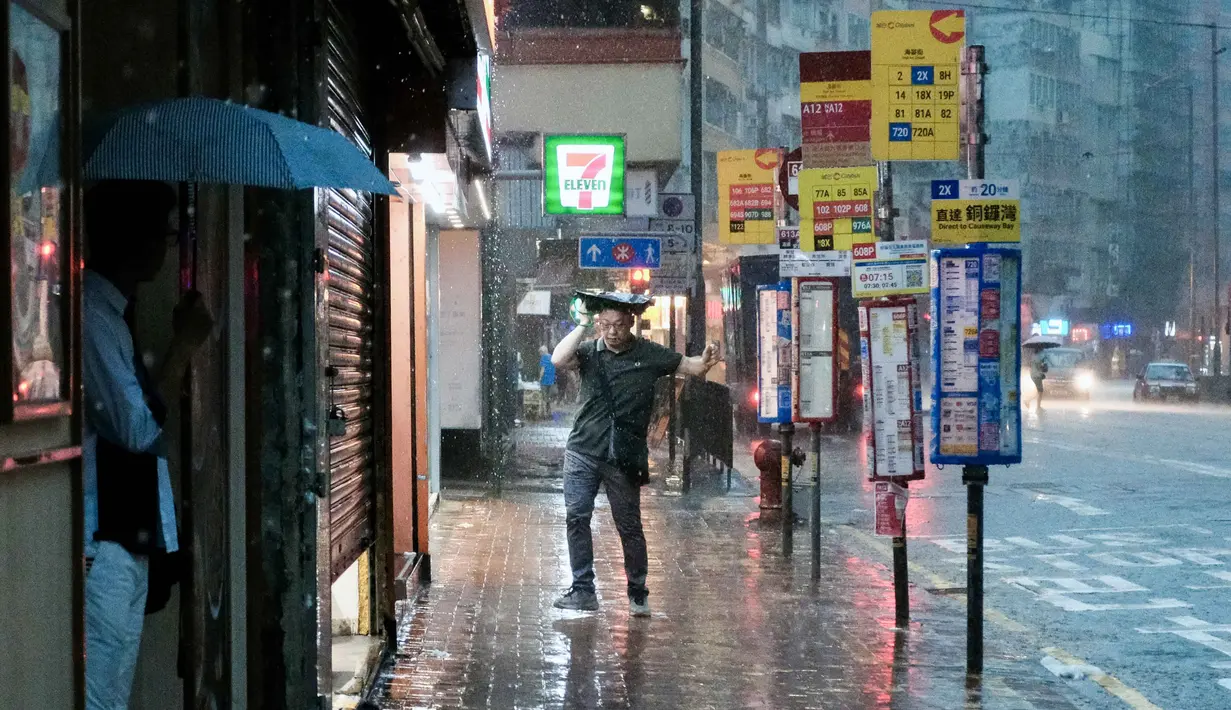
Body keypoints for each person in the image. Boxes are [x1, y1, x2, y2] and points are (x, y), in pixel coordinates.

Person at [82, 180, 214, 710]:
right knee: (102, 698)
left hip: (125, 545)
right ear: (129, 238)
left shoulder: (113, 316)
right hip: (106, 547)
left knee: (114, 690)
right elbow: (137, 430)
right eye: (161, 234)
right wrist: (182, 345)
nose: (165, 246)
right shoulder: (93, 318)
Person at [549, 292, 720, 617]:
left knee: (629, 525)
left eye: (618, 325)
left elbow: (692, 367)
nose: (611, 331)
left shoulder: (650, 354)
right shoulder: (587, 352)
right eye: (605, 325)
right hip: (583, 449)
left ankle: (638, 592)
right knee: (577, 517)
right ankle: (583, 589)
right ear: (598, 324)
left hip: (625, 453)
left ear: (631, 323)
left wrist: (707, 358)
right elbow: (558, 360)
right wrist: (582, 325)